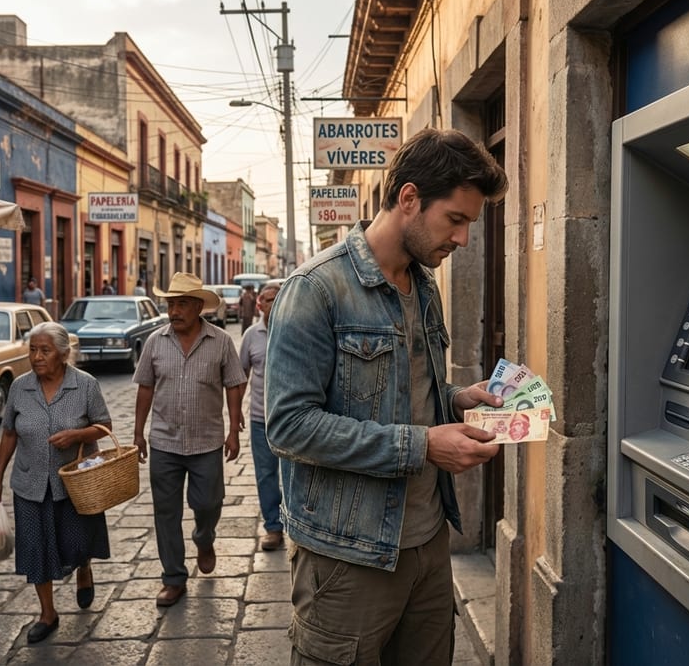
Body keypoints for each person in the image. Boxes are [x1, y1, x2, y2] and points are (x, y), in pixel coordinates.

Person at [265, 127, 509, 665]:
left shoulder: (424, 285)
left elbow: (400, 394)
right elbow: (288, 426)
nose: (464, 240)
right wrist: (423, 445)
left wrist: (454, 398)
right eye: (456, 220)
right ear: (408, 199)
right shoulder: (315, 289)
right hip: (348, 557)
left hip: (428, 545)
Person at [0, 321, 112, 644]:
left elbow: (104, 425)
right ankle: (47, 613)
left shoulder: (85, 385)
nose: (37, 357)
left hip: (74, 483)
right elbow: (10, 432)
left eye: (45, 350)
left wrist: (77, 435)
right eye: (32, 350)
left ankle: (83, 566)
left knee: (77, 542)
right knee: (35, 548)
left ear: (64, 354)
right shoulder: (20, 387)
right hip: (30, 482)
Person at [133, 272, 245, 608]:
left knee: (209, 504)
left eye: (181, 304)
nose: (173, 311)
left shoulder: (221, 341)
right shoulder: (155, 341)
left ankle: (204, 537)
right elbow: (145, 387)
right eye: (170, 304)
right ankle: (173, 578)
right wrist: (138, 432)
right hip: (165, 442)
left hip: (206, 441)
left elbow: (234, 383)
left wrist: (232, 428)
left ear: (198, 307)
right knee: (165, 512)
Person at [238, 282, 282, 551]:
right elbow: (240, 375)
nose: (273, 304)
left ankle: (299, 525)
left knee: (296, 474)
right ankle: (273, 527)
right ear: (259, 305)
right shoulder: (251, 336)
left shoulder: (298, 330)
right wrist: (234, 416)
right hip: (260, 418)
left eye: (278, 298)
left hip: (295, 419)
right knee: (266, 474)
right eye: (268, 300)